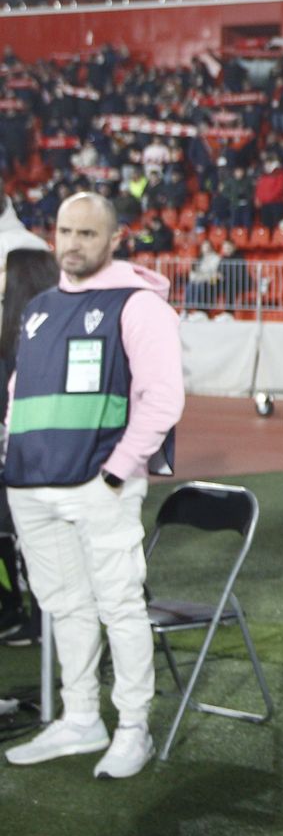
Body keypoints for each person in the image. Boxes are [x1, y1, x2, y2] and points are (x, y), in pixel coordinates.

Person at [2, 192, 182, 779]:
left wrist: (116, 469)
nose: (73, 243)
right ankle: (81, 717)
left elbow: (163, 400)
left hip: (97, 483)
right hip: (32, 484)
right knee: (64, 608)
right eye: (64, 231)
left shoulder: (139, 306)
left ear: (114, 239)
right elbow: (18, 393)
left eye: (87, 233)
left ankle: (134, 727)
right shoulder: (40, 308)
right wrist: (13, 451)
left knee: (119, 607)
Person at [0, 247, 59, 644]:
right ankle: (14, 607)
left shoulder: (36, 332)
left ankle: (39, 616)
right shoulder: (13, 327)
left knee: (33, 539)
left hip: (33, 456)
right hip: (15, 451)